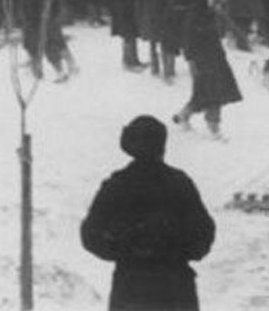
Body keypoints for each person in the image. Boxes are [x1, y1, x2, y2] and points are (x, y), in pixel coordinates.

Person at [80, 115, 216, 311]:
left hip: (130, 289)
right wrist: (177, 252)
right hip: (175, 288)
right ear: (162, 145)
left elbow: (91, 235)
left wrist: (124, 252)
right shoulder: (179, 183)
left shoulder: (117, 185)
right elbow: (203, 233)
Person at [173, 0, 242, 139]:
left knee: (205, 91)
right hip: (203, 58)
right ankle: (213, 127)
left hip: (212, 56)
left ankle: (184, 115)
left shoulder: (205, 13)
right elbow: (191, 38)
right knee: (213, 91)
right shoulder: (197, 15)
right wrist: (192, 58)